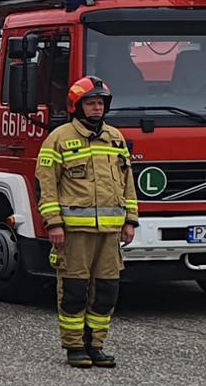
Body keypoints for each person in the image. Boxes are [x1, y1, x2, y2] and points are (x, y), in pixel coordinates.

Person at [35, 76, 138, 369]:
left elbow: (127, 183)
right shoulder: (59, 138)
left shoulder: (115, 138)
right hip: (74, 232)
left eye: (100, 103)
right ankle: (74, 346)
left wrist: (130, 220)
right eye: (91, 103)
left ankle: (97, 344)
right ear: (76, 106)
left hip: (109, 233)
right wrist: (53, 223)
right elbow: (46, 185)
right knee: (74, 289)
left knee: (107, 289)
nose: (96, 108)